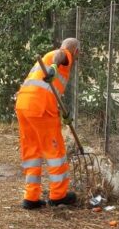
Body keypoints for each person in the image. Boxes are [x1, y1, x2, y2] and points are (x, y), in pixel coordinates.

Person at [15, 38, 80, 209]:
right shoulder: (62, 55)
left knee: (32, 151)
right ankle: (58, 195)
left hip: (24, 105)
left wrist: (63, 114)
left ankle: (31, 198)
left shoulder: (45, 58)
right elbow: (61, 54)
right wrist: (54, 67)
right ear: (76, 51)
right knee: (55, 152)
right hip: (41, 108)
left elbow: (49, 89)